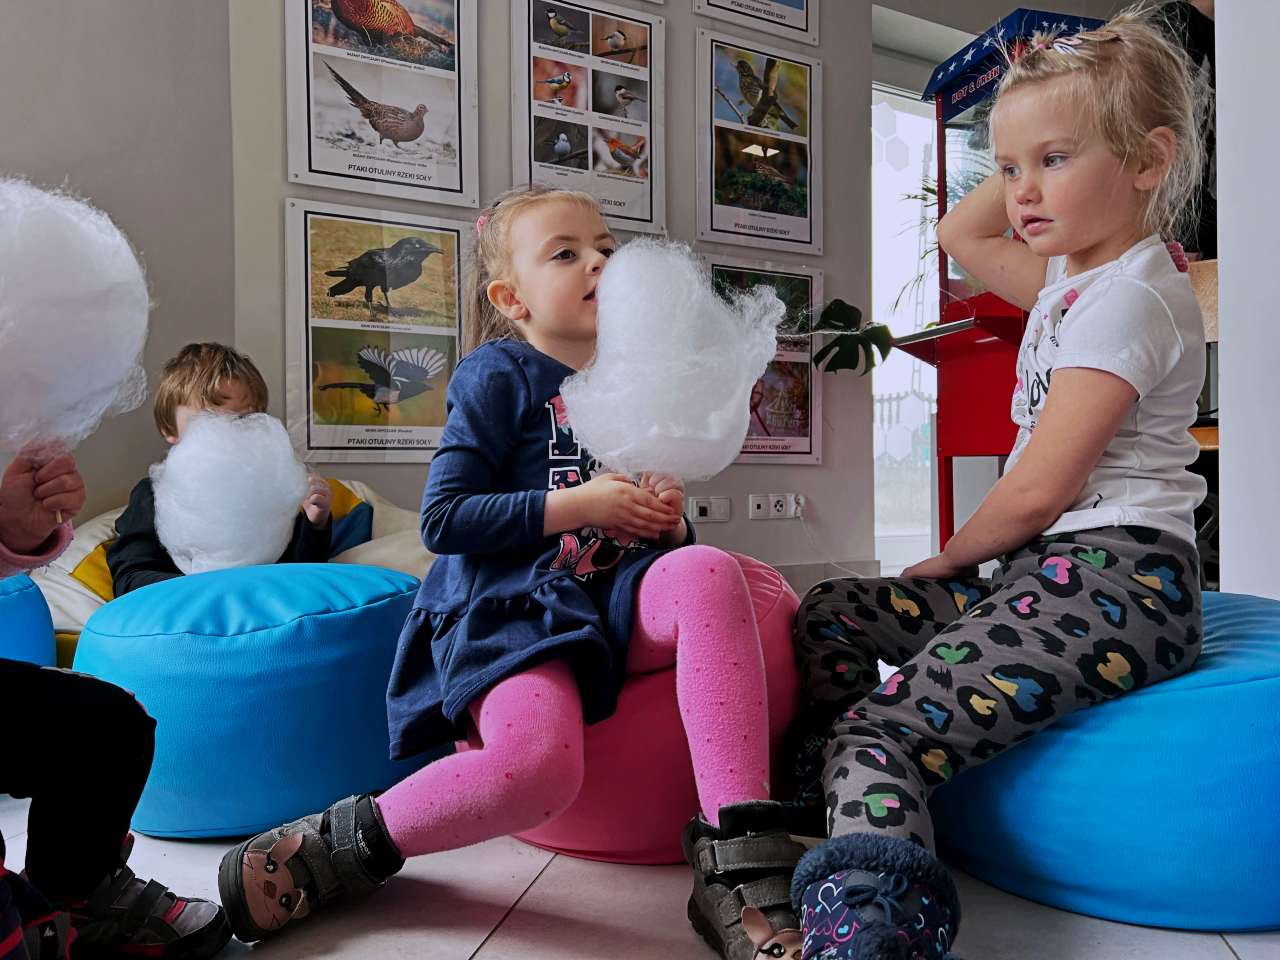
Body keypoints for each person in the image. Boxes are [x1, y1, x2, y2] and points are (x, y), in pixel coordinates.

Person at [216, 184, 801, 958]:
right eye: (566, 253)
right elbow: (445, 518)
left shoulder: (634, 382)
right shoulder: (498, 374)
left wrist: (665, 521)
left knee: (708, 570)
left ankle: (739, 857)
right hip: (512, 605)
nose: (599, 262)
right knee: (538, 771)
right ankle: (341, 846)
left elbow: (647, 537)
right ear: (512, 299)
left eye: (607, 249)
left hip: (608, 595)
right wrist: (580, 504)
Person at [788, 6, 1208, 956]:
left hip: (1120, 583)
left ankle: (873, 929)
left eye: (1055, 160)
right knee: (834, 611)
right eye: (1010, 168)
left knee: (875, 733)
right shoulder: (1069, 283)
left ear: (1148, 161)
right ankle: (831, 806)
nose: (1021, 192)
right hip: (1052, 575)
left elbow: (1036, 492)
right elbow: (958, 231)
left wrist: (945, 557)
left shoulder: (1131, 297)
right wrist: (1027, 112)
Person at [0, 444, 230, 959]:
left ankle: (75, 892)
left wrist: (10, 533)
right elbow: (133, 569)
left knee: (109, 722)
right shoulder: (152, 499)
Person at [105, 342, 332, 596]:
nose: (228, 431)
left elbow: (300, 574)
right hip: (189, 611)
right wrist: (206, 590)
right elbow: (130, 577)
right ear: (169, 428)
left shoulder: (272, 490)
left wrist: (315, 524)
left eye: (243, 419)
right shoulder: (152, 495)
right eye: (210, 420)